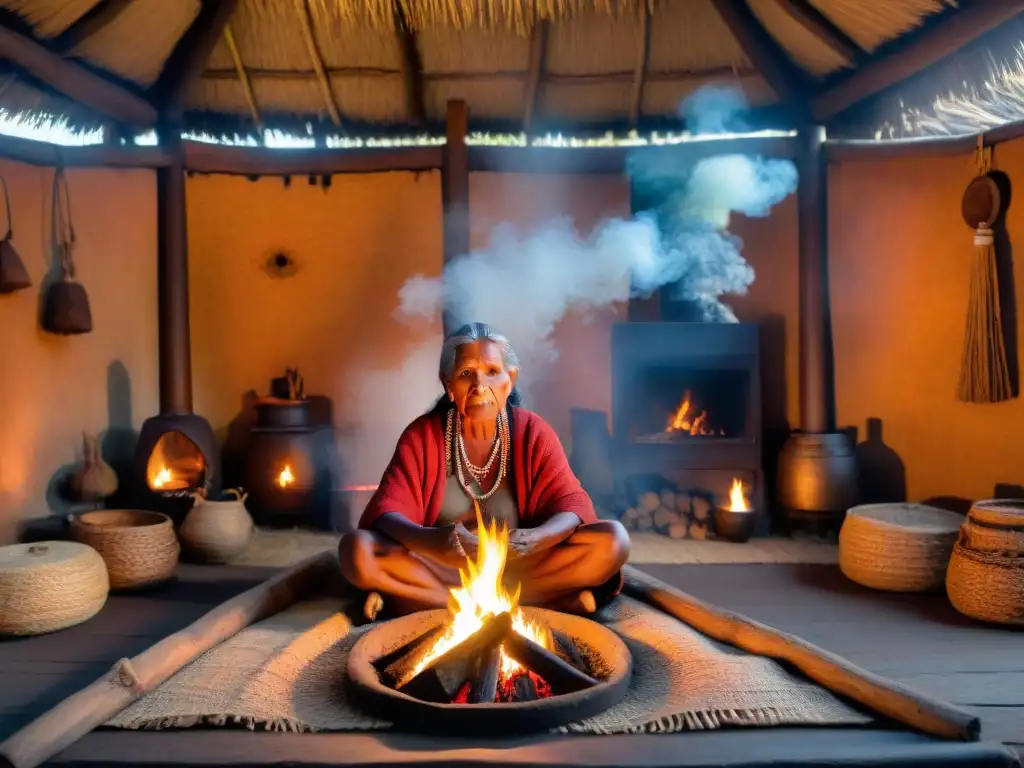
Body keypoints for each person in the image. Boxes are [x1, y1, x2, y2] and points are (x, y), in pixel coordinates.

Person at [338, 322, 630, 619]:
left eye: (492, 372)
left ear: (510, 379)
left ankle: (420, 601)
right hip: (445, 571)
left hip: (523, 569)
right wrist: (430, 542)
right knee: (357, 551)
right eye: (466, 374)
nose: (480, 386)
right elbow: (388, 512)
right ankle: (536, 602)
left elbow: (571, 506)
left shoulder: (533, 431)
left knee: (612, 541)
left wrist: (538, 538)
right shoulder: (423, 435)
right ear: (448, 384)